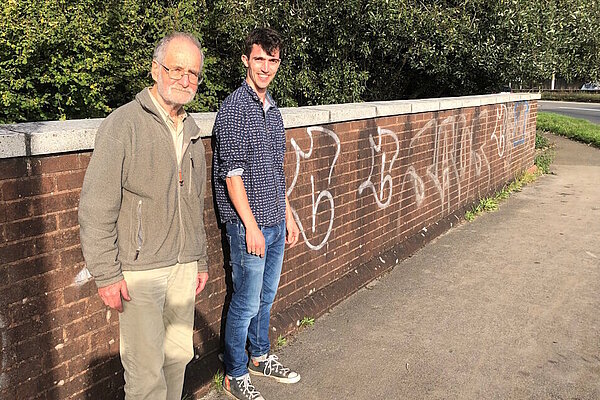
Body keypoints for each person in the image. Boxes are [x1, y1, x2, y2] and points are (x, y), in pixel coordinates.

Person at [78, 32, 209, 400]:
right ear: (156, 69)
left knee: (178, 358)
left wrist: (200, 258)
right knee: (145, 371)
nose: (185, 80)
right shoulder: (123, 124)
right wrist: (105, 273)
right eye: (177, 69)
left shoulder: (192, 131)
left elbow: (194, 202)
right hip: (140, 271)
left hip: (183, 266)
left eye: (193, 73)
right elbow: (96, 204)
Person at [212, 27, 301, 400]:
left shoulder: (273, 110)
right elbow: (231, 175)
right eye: (259, 59)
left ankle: (259, 355)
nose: (265, 67)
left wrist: (288, 214)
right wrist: (251, 226)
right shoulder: (234, 108)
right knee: (245, 301)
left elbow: (275, 170)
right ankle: (234, 374)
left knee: (265, 297)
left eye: (273, 60)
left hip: (275, 221)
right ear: (246, 60)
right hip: (247, 225)